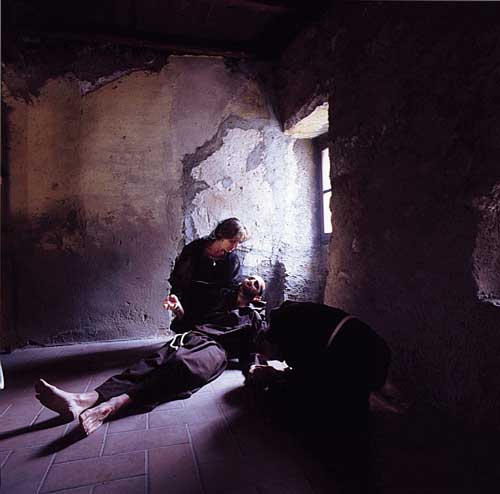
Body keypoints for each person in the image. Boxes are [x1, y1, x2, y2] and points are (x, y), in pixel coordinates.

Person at [34, 275, 266, 436]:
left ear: (257, 296)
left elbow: (249, 353)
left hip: (216, 351)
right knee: (149, 364)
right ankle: (83, 400)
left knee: (182, 365)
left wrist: (253, 372)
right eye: (250, 278)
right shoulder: (220, 298)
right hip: (193, 336)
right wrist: (178, 309)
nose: (251, 281)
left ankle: (114, 405)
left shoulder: (254, 318)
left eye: (257, 283)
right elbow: (190, 322)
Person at [165, 217, 249, 326]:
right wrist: (176, 300)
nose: (235, 246)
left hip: (212, 312)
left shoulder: (232, 260)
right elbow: (179, 279)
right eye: (232, 241)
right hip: (189, 303)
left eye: (238, 242)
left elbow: (230, 288)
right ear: (222, 235)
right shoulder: (195, 249)